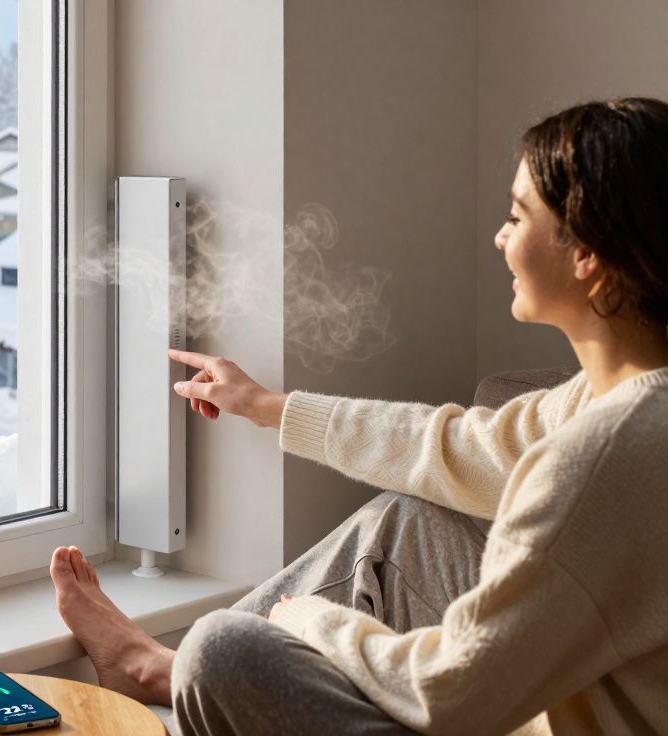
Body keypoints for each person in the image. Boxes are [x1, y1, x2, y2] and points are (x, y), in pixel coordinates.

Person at [50, 97, 668, 735]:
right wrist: (269, 407)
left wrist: (310, 621)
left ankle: (171, 673)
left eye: (516, 216)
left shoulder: (609, 457)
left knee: (221, 652)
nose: (500, 236)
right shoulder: (620, 401)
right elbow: (456, 447)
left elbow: (454, 693)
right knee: (411, 519)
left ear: (587, 252)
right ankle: (159, 669)